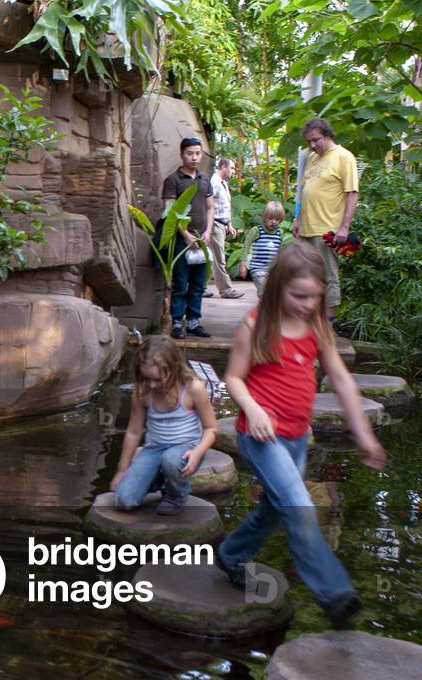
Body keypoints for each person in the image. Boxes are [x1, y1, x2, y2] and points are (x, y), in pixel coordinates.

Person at [216, 240, 386, 629]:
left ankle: (231, 553)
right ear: (278, 286)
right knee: (298, 506)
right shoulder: (256, 325)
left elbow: (340, 379)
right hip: (261, 437)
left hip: (295, 438)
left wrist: (363, 434)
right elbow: (234, 378)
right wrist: (254, 408)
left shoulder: (316, 326)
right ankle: (335, 594)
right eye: (299, 296)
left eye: (315, 296)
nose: (307, 304)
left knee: (276, 509)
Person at [110, 335, 218, 516]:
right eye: (146, 378)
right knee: (124, 500)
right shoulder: (142, 391)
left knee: (171, 460)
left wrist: (198, 451)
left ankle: (177, 495)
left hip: (186, 450)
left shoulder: (193, 388)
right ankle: (158, 478)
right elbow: (134, 432)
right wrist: (122, 469)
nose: (152, 385)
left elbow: (211, 429)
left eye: (158, 379)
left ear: (174, 369)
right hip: (155, 449)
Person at [292, 118, 359, 319]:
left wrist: (344, 228)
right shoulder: (313, 157)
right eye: (309, 142)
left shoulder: (344, 157)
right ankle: (311, 318)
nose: (312, 145)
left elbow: (352, 193)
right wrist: (298, 219)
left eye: (316, 140)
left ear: (328, 135)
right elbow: (306, 191)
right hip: (306, 228)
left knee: (329, 276)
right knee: (306, 276)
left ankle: (327, 324)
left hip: (328, 230)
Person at [162, 137, 214, 339]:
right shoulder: (173, 180)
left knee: (198, 283)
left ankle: (193, 321)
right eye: (190, 153)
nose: (194, 157)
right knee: (180, 282)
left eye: (197, 153)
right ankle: (177, 322)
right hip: (180, 241)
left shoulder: (204, 180)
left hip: (202, 240)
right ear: (181, 154)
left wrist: (208, 231)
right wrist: (185, 235)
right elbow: (169, 212)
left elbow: (211, 208)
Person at [208, 157, 245, 298]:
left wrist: (229, 224)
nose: (234, 171)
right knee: (219, 259)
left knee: (211, 258)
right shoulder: (214, 183)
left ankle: (201, 287)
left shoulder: (223, 183)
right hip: (215, 224)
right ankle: (226, 290)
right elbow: (209, 204)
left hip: (222, 224)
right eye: (232, 168)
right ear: (223, 167)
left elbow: (224, 206)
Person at [239, 200, 285, 297]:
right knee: (264, 293)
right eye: (270, 218)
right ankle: (265, 310)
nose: (273, 221)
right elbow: (246, 247)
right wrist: (243, 265)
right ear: (264, 217)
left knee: (274, 293)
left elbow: (280, 250)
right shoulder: (256, 230)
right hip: (258, 269)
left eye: (277, 219)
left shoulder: (279, 232)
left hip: (272, 270)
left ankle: (267, 309)